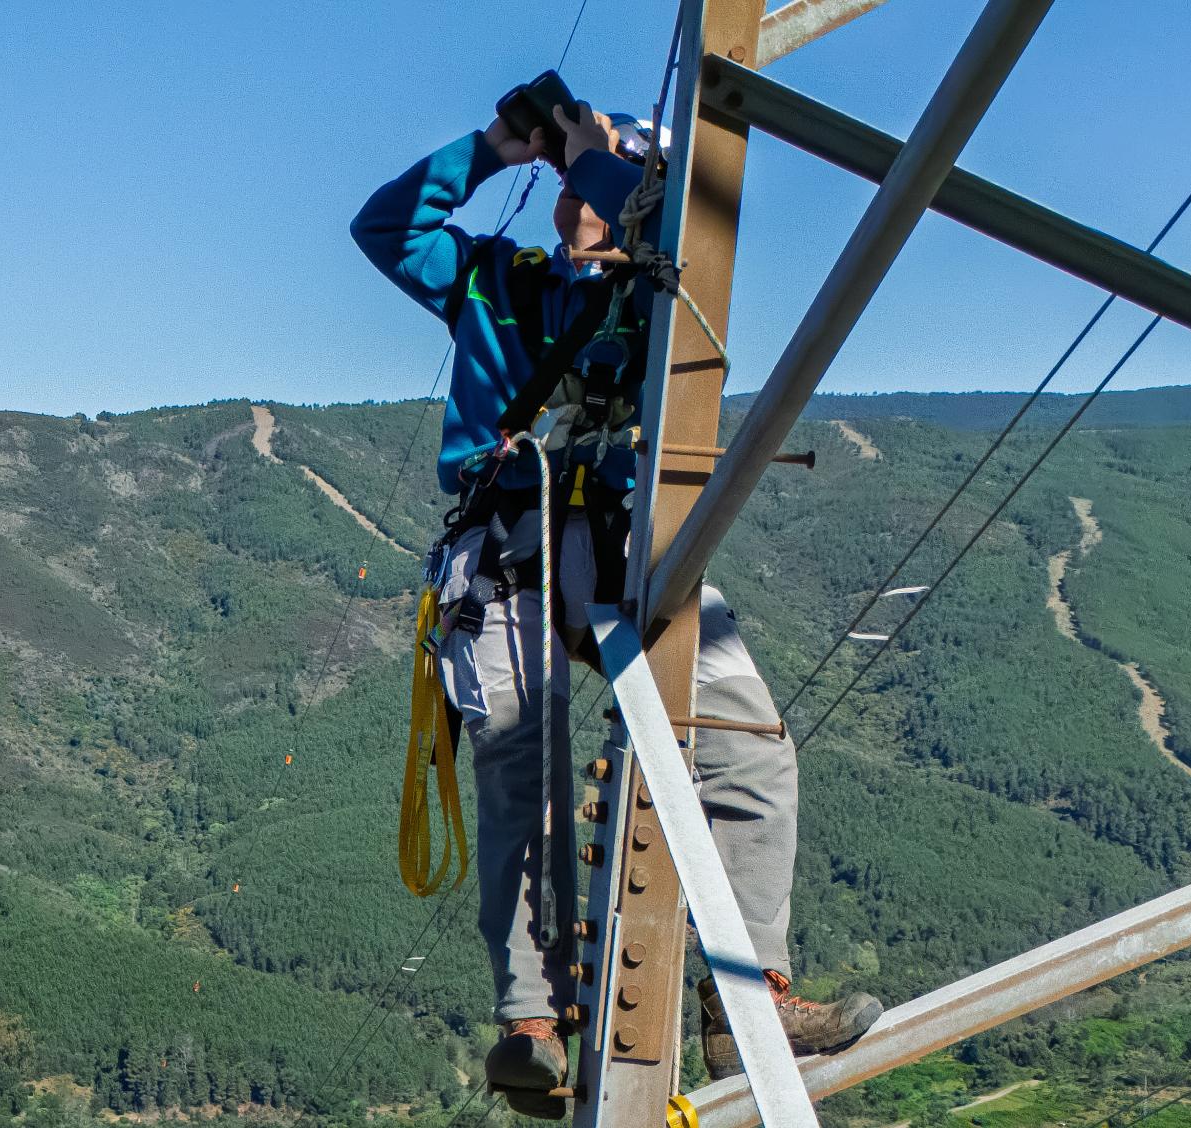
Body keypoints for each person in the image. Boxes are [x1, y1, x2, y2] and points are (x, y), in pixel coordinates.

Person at [350, 96, 881, 1115]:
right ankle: (533, 1023)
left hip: (622, 541)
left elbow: (659, 229)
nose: (568, 194)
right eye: (567, 180)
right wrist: (496, 148)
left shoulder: (660, 302)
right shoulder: (495, 282)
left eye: (596, 181)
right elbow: (386, 228)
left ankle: (747, 1004)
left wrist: (592, 154)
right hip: (506, 545)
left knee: (748, 743)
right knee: (520, 765)